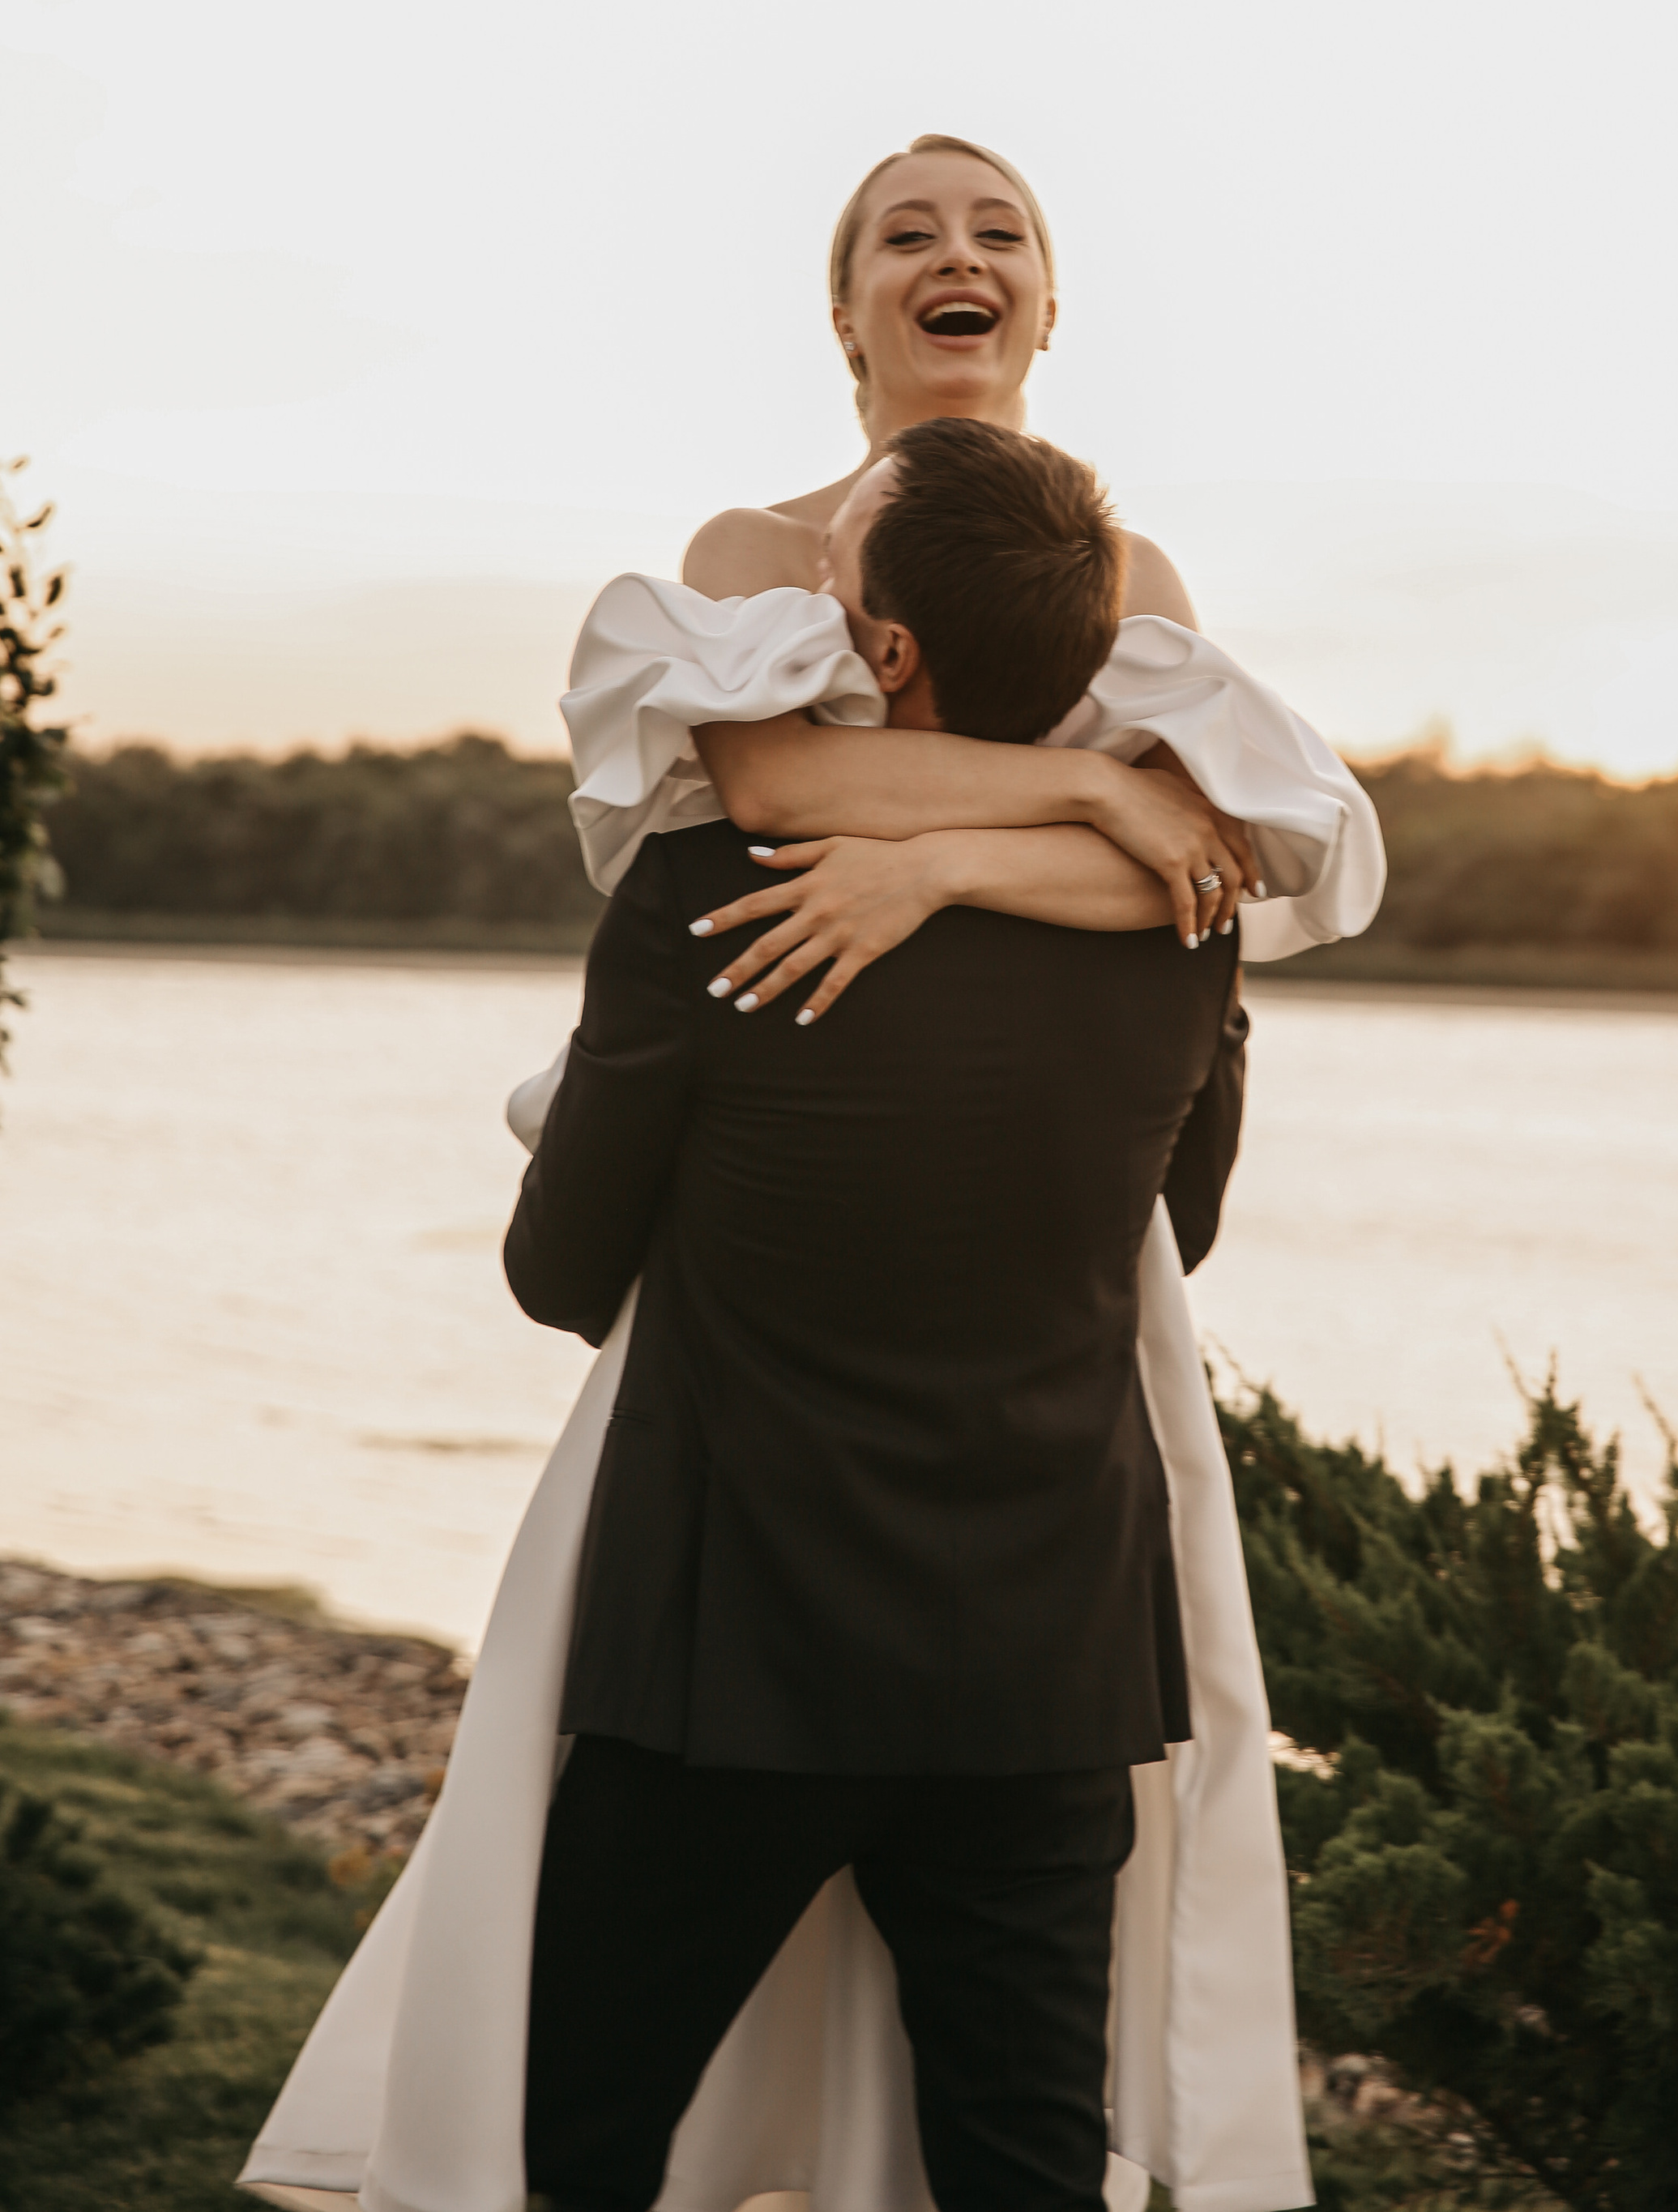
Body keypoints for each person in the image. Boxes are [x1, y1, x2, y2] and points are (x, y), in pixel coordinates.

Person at [242, 142, 1380, 2212]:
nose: (955, 255)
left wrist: (941, 857)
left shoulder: (1131, 581)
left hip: (756, 1545)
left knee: (572, 2099)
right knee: (1023, 2125)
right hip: (1034, 1577)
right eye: (903, 234)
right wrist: (1069, 805)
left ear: (1047, 309)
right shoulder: (752, 554)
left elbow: (1213, 853)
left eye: (999, 231)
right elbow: (784, 782)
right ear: (846, 313)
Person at [506, 417, 1244, 2212]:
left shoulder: (701, 897)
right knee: (1019, 2167)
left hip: (730, 1655)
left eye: (839, 581)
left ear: (888, 654)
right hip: (1043, 1668)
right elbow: (1183, 1230)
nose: (815, 601)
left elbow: (555, 1272)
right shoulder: (1178, 928)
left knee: (588, 2140)